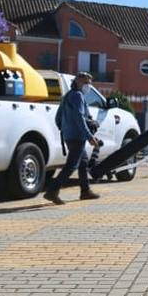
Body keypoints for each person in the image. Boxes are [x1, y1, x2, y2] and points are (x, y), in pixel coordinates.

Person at [44, 72, 102, 204]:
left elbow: (58, 118)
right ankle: (52, 191)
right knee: (72, 165)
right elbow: (79, 118)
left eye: (89, 83)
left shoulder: (67, 96)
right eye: (86, 83)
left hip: (69, 135)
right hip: (77, 136)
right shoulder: (77, 96)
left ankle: (85, 191)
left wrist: (65, 129)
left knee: (83, 162)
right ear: (78, 82)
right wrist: (89, 136)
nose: (88, 86)